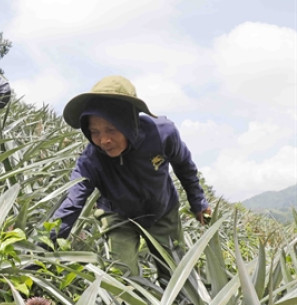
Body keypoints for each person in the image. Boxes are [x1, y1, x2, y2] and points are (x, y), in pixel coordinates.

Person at [50, 75, 211, 282]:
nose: (103, 140)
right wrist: (43, 246)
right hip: (118, 215)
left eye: (111, 129)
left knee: (175, 277)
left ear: (128, 122)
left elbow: (184, 166)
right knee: (123, 278)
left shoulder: (162, 134)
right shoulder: (91, 160)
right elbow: (71, 203)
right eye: (95, 132)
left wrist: (198, 202)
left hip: (162, 211)